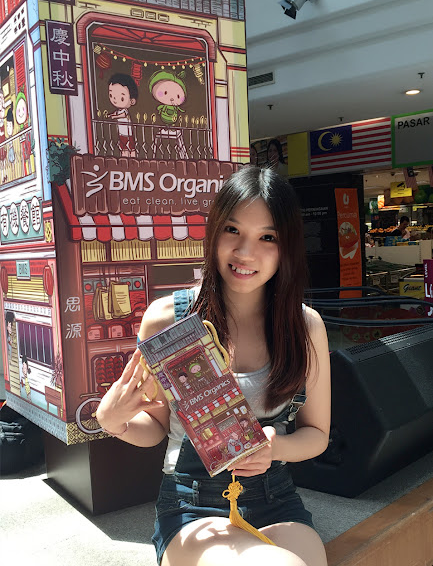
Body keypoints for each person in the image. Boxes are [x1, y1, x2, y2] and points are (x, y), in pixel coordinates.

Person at [96, 166, 330, 566]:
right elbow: (155, 427)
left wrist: (276, 447)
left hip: (276, 499)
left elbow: (317, 434)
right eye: (232, 230)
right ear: (214, 232)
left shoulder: (305, 326)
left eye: (268, 237)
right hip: (192, 505)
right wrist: (113, 421)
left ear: (287, 246)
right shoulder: (169, 320)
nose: (245, 253)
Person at [107, 73, 138, 158]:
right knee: (124, 148)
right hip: (121, 133)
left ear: (132, 101)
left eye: (121, 98)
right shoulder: (118, 110)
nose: (115, 100)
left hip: (128, 133)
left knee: (131, 148)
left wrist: (114, 117)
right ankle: (124, 160)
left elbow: (123, 115)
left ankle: (133, 159)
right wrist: (111, 115)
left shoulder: (125, 111)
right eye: (111, 95)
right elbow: (116, 113)